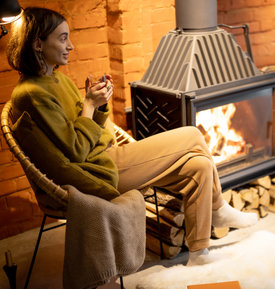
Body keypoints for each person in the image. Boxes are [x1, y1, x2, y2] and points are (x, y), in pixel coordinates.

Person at [7, 7, 257, 266]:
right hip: (96, 172)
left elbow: (84, 128)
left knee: (200, 165)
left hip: (104, 156)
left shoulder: (57, 79)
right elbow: (77, 150)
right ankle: (219, 208)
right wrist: (90, 105)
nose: (70, 45)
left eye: (68, 37)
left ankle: (199, 254)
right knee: (193, 134)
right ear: (38, 43)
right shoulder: (31, 95)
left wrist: (98, 104)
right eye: (62, 38)